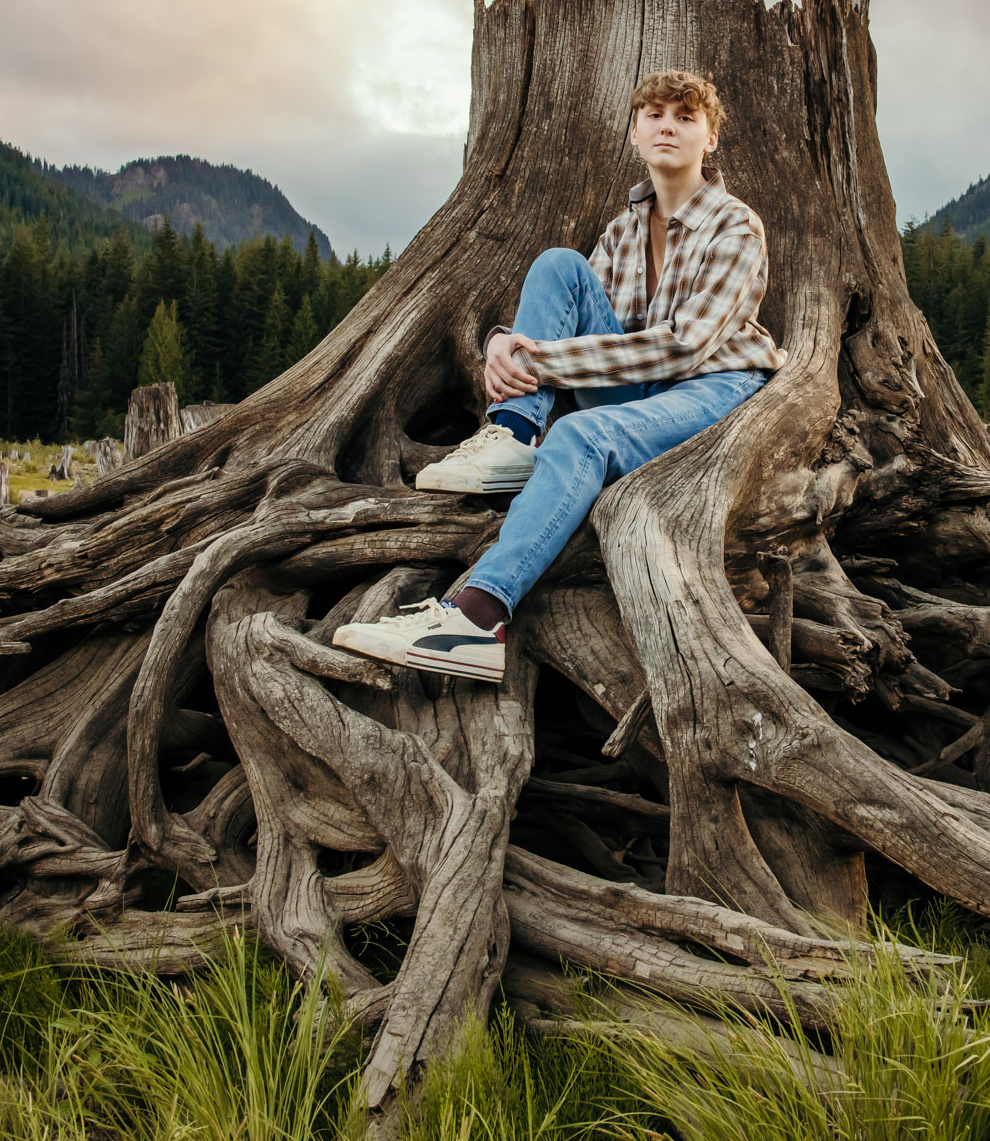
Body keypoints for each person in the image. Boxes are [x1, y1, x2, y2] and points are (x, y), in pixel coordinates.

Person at [334, 68, 785, 683]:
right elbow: (577, 326)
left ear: (710, 140)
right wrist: (502, 344)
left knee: (580, 437)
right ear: (633, 132)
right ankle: (514, 436)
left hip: (711, 386)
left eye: (686, 117)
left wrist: (535, 359)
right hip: (636, 384)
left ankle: (474, 620)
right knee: (557, 266)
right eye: (654, 114)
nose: (668, 127)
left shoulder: (736, 224)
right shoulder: (623, 229)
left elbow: (684, 347)